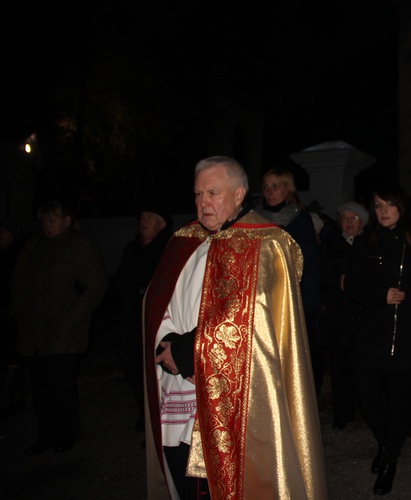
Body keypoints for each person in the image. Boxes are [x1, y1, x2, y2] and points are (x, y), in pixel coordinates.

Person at [143, 156, 328, 499]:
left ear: (240, 193)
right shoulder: (185, 240)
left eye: (213, 193)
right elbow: (158, 302)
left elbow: (252, 323)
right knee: (180, 475)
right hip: (176, 385)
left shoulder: (267, 244)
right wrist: (165, 341)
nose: (203, 203)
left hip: (236, 400)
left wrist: (186, 351)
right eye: (198, 193)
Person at [345, 183, 411, 496]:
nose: (383, 211)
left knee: (399, 401)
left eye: (389, 204)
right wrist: (381, 295)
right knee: (366, 396)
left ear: (401, 206)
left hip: (404, 335)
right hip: (369, 334)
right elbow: (351, 285)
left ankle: (389, 461)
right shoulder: (365, 241)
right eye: (378, 206)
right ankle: (388, 443)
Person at [12, 200, 108, 454]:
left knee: (61, 384)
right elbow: (19, 281)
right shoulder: (34, 245)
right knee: (40, 386)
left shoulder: (78, 246)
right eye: (43, 220)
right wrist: (19, 312)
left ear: (66, 220)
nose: (47, 225)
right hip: (34, 331)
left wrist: (72, 316)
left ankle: (67, 433)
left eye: (52, 220)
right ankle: (45, 434)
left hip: (65, 333)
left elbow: (96, 285)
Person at [255, 167, 324, 396]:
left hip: (292, 298)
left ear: (287, 188)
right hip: (262, 300)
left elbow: (310, 265)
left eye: (275, 186)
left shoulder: (299, 219)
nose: (270, 192)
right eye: (266, 187)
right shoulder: (254, 219)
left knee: (295, 359)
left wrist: (306, 304)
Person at [110, 205, 172, 433]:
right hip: (134, 319)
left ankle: (160, 421)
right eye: (141, 217)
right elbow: (120, 279)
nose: (142, 221)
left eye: (149, 216)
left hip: (160, 320)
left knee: (158, 371)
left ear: (162, 222)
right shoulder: (132, 249)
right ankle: (145, 413)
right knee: (132, 367)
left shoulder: (169, 247)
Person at [318, 201, 369, 430]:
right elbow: (321, 274)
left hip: (363, 316)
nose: (349, 223)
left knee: (365, 369)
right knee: (340, 368)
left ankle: (368, 412)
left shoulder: (370, 245)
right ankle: (342, 414)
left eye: (354, 218)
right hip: (338, 316)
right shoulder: (331, 245)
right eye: (345, 219)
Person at [0, 218, 29, 419]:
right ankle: (16, 397)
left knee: (12, 354)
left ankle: (7, 400)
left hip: (15, 313)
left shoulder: (19, 254)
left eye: (3, 231)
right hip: (7, 311)